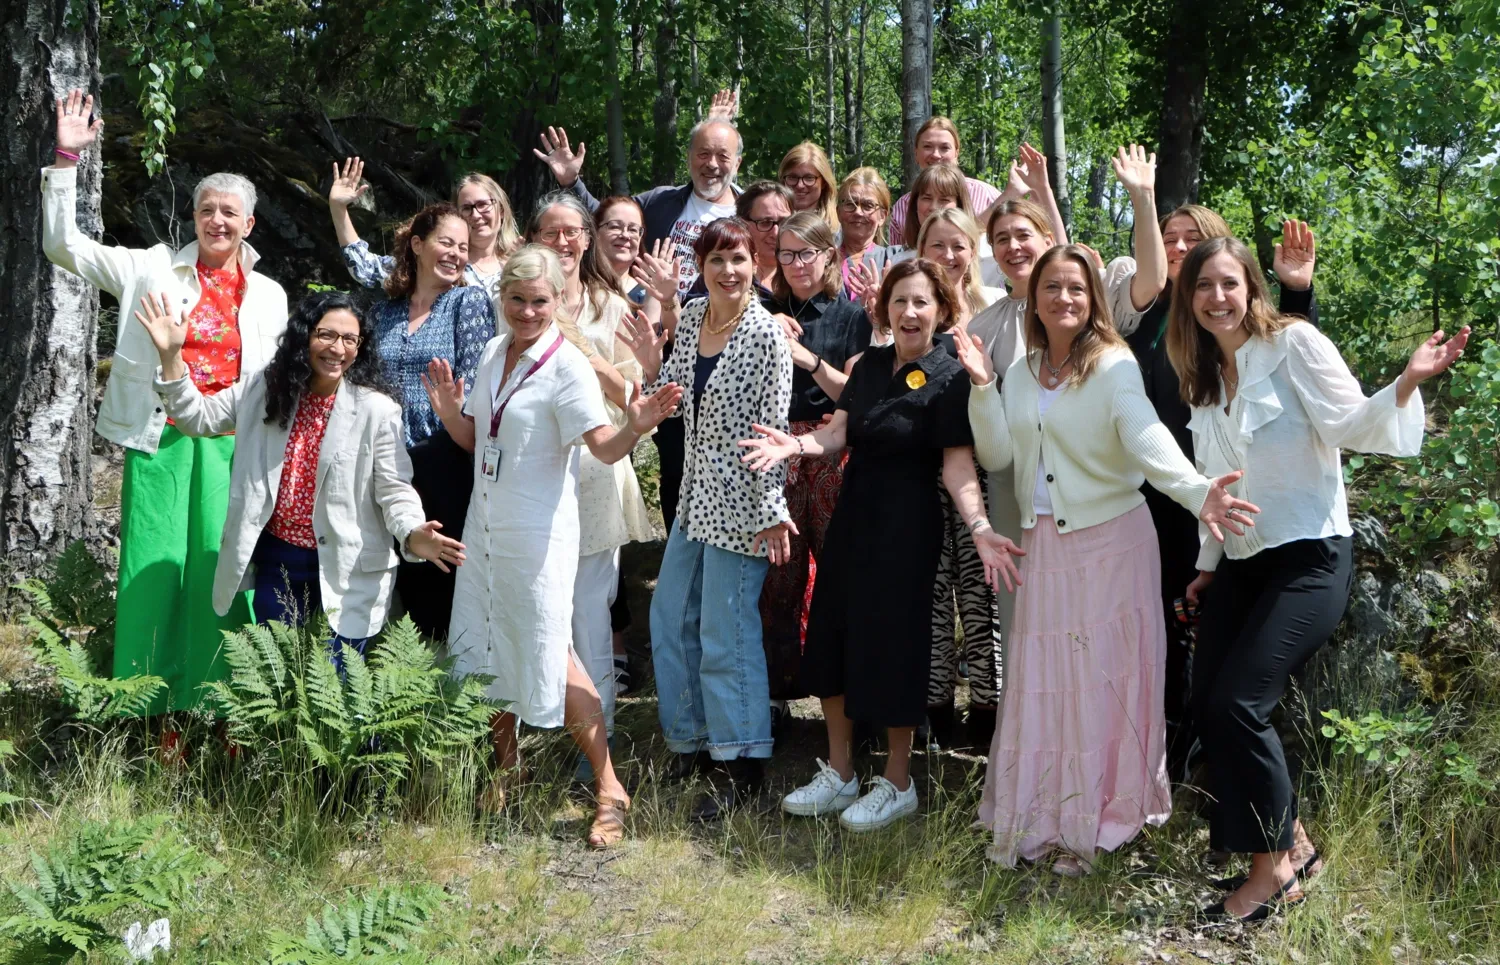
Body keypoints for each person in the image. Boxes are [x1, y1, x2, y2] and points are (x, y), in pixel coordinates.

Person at [1166, 237, 1468, 920]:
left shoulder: (1295, 343)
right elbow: (1218, 486)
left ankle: (1271, 872)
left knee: (1242, 702)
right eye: (1202, 286)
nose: (1216, 297)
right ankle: (1293, 843)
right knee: (1212, 701)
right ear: (1189, 299)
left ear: (1251, 286)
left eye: (1228, 282)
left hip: (1311, 557)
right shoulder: (1202, 374)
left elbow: (1352, 423)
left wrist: (1408, 381)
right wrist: (1206, 569)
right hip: (1241, 562)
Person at [958, 244, 1257, 875]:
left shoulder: (1114, 364)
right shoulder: (1022, 369)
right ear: (1032, 300)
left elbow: (1147, 440)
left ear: (1094, 298)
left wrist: (1199, 491)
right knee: (1044, 683)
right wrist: (984, 387)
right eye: (1051, 288)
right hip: (1042, 545)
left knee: (1098, 686)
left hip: (1110, 545)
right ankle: (1043, 814)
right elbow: (997, 457)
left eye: (1076, 288)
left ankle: (1099, 823)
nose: (1063, 298)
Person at [741, 259, 1022, 832]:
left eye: (921, 302)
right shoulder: (869, 365)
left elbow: (958, 466)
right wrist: (794, 448)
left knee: (896, 651)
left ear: (942, 310)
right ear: (885, 310)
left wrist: (980, 527)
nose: (909, 312)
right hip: (853, 522)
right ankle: (841, 772)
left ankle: (897, 781)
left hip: (909, 531)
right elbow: (838, 432)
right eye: (899, 302)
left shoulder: (951, 376)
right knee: (834, 637)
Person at [425, 245, 683, 848]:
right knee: (487, 645)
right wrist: (446, 412)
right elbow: (477, 437)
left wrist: (637, 424)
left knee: (550, 652)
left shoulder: (567, 365)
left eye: (540, 300)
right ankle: (507, 769)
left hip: (539, 535)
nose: (528, 311)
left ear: (558, 301)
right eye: (517, 299)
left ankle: (609, 786)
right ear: (503, 299)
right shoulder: (494, 352)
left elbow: (603, 449)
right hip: (486, 527)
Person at [42, 89, 290, 716]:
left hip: (233, 444)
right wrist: (66, 158)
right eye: (207, 209)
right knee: (154, 570)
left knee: (223, 577)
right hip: (161, 441)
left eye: (230, 212)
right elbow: (63, 247)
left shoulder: (270, 296)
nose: (217, 221)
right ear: (194, 218)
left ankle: (223, 709)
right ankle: (152, 711)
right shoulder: (149, 269)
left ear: (249, 223)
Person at [135, 290, 464, 652]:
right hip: (280, 558)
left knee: (336, 683)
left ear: (361, 347)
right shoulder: (266, 388)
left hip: (348, 563)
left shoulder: (377, 410)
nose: (337, 348)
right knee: (276, 673)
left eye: (349, 339)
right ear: (304, 334)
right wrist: (171, 358)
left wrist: (412, 532)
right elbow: (197, 418)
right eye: (326, 334)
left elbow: (395, 488)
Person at [1123, 204, 1319, 782]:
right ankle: (1175, 751)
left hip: (1224, 500)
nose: (1179, 246)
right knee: (1167, 618)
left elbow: (1286, 359)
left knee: (1216, 637)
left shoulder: (1223, 322)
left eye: (1192, 238)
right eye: (1168, 238)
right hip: (1161, 498)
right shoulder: (1152, 316)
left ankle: (1222, 762)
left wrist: (1299, 293)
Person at [615, 219, 795, 822]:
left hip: (744, 506)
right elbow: (668, 398)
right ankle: (690, 740)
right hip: (694, 498)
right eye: (716, 259)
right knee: (670, 617)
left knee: (726, 634)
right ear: (701, 265)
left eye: (738, 259)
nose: (728, 271)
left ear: (754, 264)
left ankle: (741, 763)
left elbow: (774, 433)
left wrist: (773, 513)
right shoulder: (692, 320)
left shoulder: (768, 335)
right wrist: (645, 370)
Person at [527, 192, 653, 746]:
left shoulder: (612, 307)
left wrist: (584, 354)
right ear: (534, 239)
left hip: (597, 468)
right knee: (539, 600)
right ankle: (548, 718)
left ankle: (597, 737)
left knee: (590, 607)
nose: (562, 242)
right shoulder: (516, 303)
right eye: (551, 233)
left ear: (587, 237)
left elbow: (634, 396)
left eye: (572, 232)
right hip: (534, 470)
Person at [363, 202, 497, 639]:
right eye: (446, 242)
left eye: (464, 246)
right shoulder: (384, 310)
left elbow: (477, 385)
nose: (457, 253)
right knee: (389, 571)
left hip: (444, 456)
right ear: (417, 245)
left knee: (440, 575)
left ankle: (447, 687)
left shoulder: (467, 301)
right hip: (383, 457)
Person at [758, 212, 871, 727]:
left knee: (837, 573)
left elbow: (855, 398)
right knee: (777, 577)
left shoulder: (851, 316)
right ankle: (778, 691)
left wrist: (807, 359)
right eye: (787, 253)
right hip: (773, 449)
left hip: (829, 450)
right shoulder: (761, 307)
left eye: (808, 253)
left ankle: (848, 692)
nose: (797, 264)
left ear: (830, 256)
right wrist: (760, 324)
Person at [534, 119, 742, 292]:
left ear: (737, 164)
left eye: (723, 156)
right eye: (703, 154)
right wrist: (572, 182)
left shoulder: (751, 215)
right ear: (689, 158)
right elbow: (608, 218)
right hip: (652, 320)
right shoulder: (660, 201)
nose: (712, 164)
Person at [331, 160, 521, 298]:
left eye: (483, 205)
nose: (476, 215)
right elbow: (366, 268)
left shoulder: (521, 260)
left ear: (501, 210)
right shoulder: (438, 262)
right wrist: (338, 209)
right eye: (467, 208)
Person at [888, 117, 1002, 247]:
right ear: (916, 153)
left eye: (944, 148)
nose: (936, 154)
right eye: (927, 146)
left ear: (956, 153)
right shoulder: (902, 207)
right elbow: (897, 259)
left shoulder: (987, 195)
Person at [915, 207, 1000, 323]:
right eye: (938, 245)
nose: (948, 256)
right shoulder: (908, 305)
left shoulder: (994, 302)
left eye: (958, 247)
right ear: (923, 249)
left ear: (972, 254)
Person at [834, 168, 905, 300]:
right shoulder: (823, 259)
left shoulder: (895, 258)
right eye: (850, 204)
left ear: (882, 216)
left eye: (868, 205)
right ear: (838, 212)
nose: (858, 212)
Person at [736, 180, 795, 296]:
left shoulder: (803, 274)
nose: (776, 232)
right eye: (765, 222)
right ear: (743, 224)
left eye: (784, 222)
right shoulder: (727, 275)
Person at [778, 142, 839, 230]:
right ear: (783, 181)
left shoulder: (837, 228)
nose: (800, 185)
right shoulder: (773, 225)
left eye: (809, 178)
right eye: (793, 177)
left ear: (824, 182)